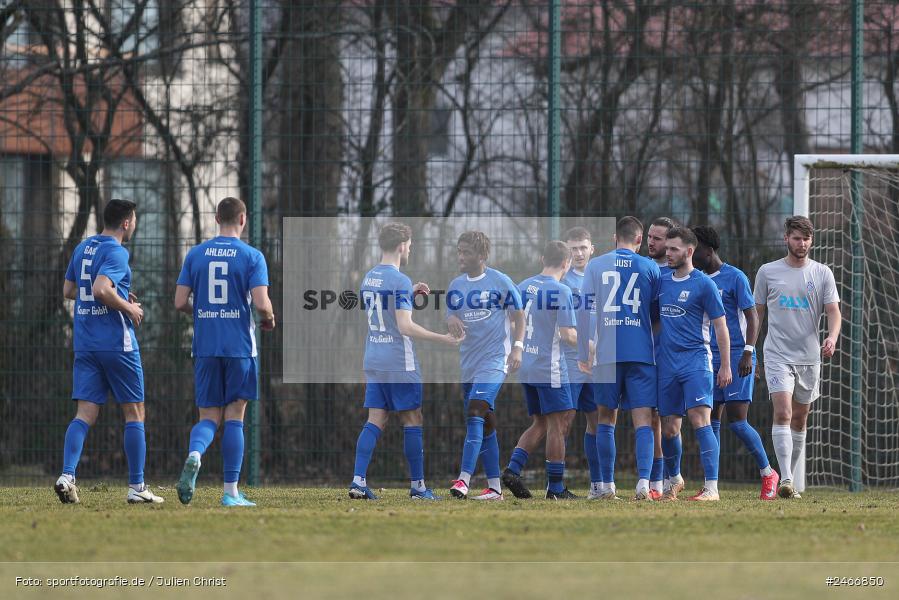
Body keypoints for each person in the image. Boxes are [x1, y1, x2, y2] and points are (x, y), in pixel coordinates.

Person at [56, 199, 163, 505]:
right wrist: (129, 307)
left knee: (85, 413)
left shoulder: (84, 247)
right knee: (135, 412)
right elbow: (102, 288)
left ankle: (67, 476)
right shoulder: (117, 251)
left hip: (86, 342)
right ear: (127, 223)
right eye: (135, 220)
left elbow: (69, 290)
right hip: (116, 343)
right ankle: (137, 486)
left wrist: (114, 294)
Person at [348, 223, 462, 500]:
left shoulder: (369, 277)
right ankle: (418, 487)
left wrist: (408, 293)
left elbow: (382, 312)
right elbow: (404, 327)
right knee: (413, 418)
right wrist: (442, 338)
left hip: (374, 357)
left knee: (375, 418)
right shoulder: (398, 280)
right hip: (399, 361)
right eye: (409, 244)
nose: (410, 248)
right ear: (401, 246)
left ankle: (358, 481)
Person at [174, 197, 274, 507]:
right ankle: (230, 492)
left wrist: (204, 311)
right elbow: (260, 303)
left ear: (217, 218)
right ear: (243, 219)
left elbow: (179, 302)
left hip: (205, 346)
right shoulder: (252, 256)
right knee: (234, 417)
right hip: (238, 347)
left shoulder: (196, 254)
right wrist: (269, 318)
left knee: (208, 418)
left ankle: (194, 455)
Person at [502, 227, 597, 500]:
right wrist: (591, 347)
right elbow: (567, 335)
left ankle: (513, 469)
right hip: (550, 367)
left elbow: (511, 321)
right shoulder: (562, 290)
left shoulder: (524, 286)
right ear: (566, 264)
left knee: (540, 423)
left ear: (543, 259)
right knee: (558, 425)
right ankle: (555, 488)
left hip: (527, 364)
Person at [754, 216, 841, 499]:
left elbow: (833, 312)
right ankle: (787, 479)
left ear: (811, 241)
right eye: (796, 238)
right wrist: (749, 349)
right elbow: (757, 313)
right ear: (786, 238)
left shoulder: (822, 273)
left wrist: (831, 337)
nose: (801, 244)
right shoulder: (768, 272)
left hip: (809, 357)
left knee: (800, 420)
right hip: (777, 354)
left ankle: (788, 477)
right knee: (783, 413)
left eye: (805, 239)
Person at [577, 217, 661, 501]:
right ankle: (642, 482)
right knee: (643, 420)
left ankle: (607, 486)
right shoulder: (650, 267)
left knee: (605, 419)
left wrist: (582, 352)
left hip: (606, 353)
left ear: (615, 237)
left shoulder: (595, 265)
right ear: (639, 240)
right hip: (641, 352)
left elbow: (585, 311)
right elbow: (657, 314)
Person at [692, 226, 779, 500]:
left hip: (738, 355)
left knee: (738, 422)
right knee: (710, 421)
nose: (690, 255)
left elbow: (752, 317)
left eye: (694, 249)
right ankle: (711, 486)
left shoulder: (735, 277)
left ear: (708, 249)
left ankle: (768, 474)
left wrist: (748, 353)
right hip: (709, 357)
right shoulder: (697, 279)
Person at [447, 231, 525, 500]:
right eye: (459, 251)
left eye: (466, 252)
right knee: (486, 421)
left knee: (475, 410)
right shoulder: (456, 285)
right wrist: (450, 321)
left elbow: (520, 315)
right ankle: (494, 488)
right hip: (469, 362)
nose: (461, 257)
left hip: (495, 360)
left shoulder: (500, 281)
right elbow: (450, 315)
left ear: (481, 256)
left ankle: (463, 480)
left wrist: (517, 347)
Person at [657, 226, 731, 502]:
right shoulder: (662, 280)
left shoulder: (703, 284)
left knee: (700, 419)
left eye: (674, 249)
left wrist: (725, 365)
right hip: (667, 365)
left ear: (689, 251)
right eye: (668, 248)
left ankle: (711, 488)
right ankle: (674, 479)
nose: (668, 253)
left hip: (696, 362)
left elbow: (721, 327)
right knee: (669, 427)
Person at [645, 217, 677, 499]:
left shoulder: (679, 273)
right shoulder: (640, 267)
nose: (651, 242)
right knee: (650, 417)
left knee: (671, 421)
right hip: (644, 354)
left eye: (658, 238)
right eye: (649, 236)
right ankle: (656, 481)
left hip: (673, 356)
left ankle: (672, 476)